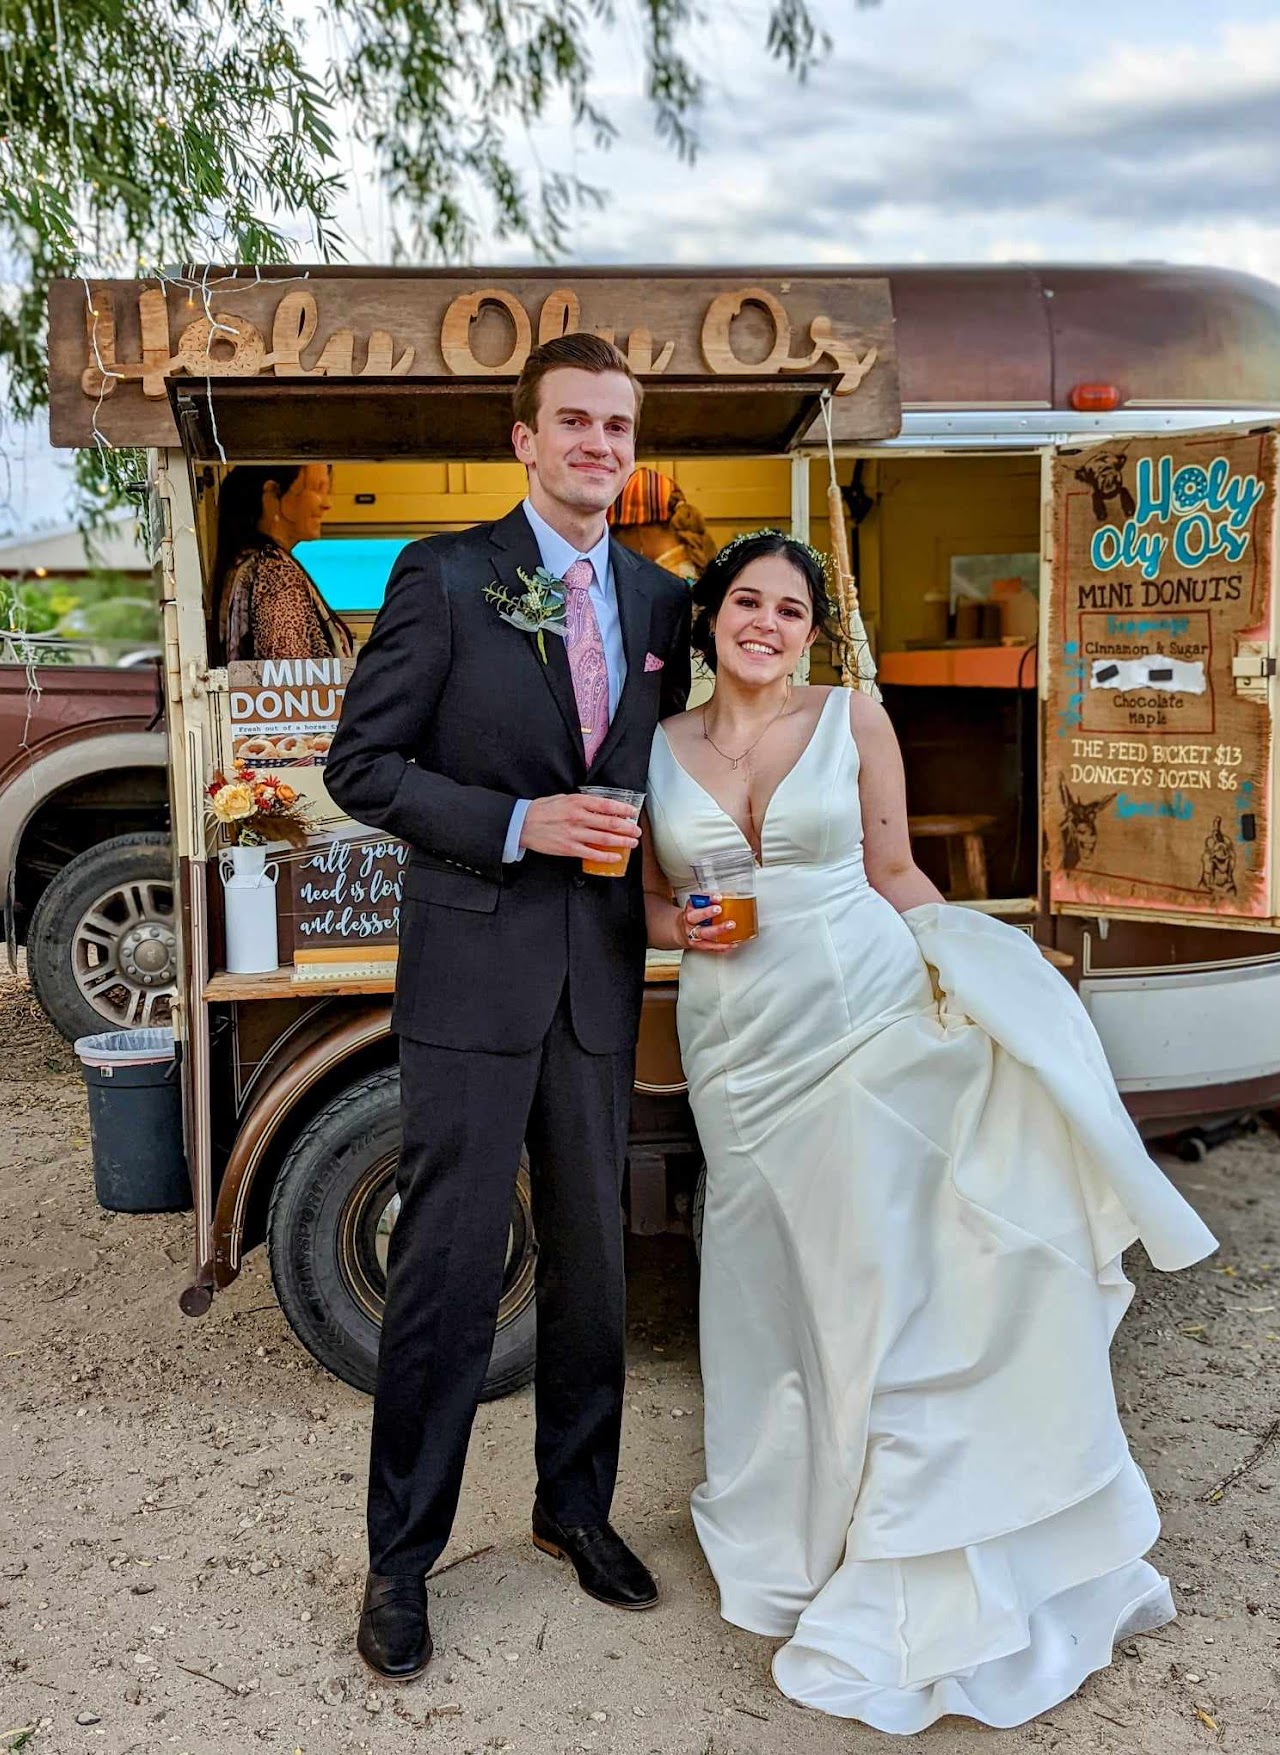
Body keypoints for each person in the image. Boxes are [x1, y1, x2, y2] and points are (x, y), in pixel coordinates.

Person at [641, 529, 1217, 1733]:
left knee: (877, 1279)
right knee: (760, 1281)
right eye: (745, 601)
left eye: (788, 610)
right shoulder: (656, 747)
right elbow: (649, 893)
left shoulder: (853, 719)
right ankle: (784, 1523)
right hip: (733, 1044)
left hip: (861, 1022)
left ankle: (897, 1531)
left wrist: (989, 959)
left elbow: (894, 870)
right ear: (710, 620)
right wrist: (677, 919)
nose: (765, 623)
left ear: (811, 631)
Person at [324, 334, 692, 1682]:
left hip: (597, 976)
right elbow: (360, 767)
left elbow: (664, 785)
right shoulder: (447, 574)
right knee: (448, 1269)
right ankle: (400, 1558)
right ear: (525, 439)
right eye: (575, 422)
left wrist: (696, 886)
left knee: (596, 1261)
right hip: (471, 977)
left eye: (619, 425)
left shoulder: (662, 606)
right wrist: (521, 820)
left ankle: (573, 1508)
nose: (600, 443)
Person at [212, 462, 353, 662]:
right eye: (316, 489)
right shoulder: (276, 575)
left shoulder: (249, 563)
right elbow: (291, 681)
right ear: (272, 495)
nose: (326, 503)